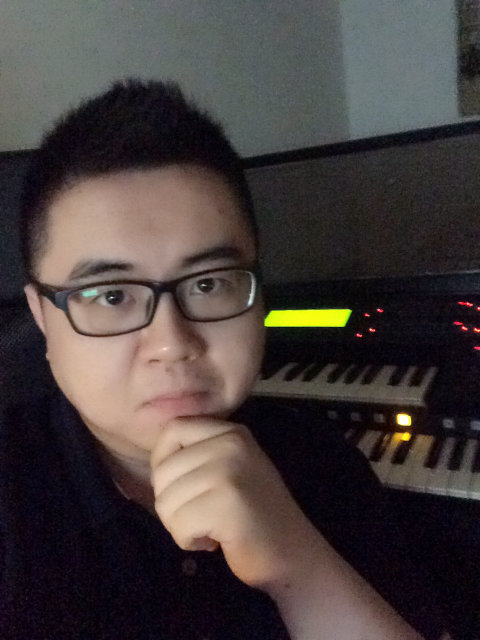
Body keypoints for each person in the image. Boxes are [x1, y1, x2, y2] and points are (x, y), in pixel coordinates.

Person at [0, 78, 451, 640]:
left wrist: (299, 563)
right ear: (42, 318)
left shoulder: (322, 460)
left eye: (209, 283)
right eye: (112, 295)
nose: (172, 343)